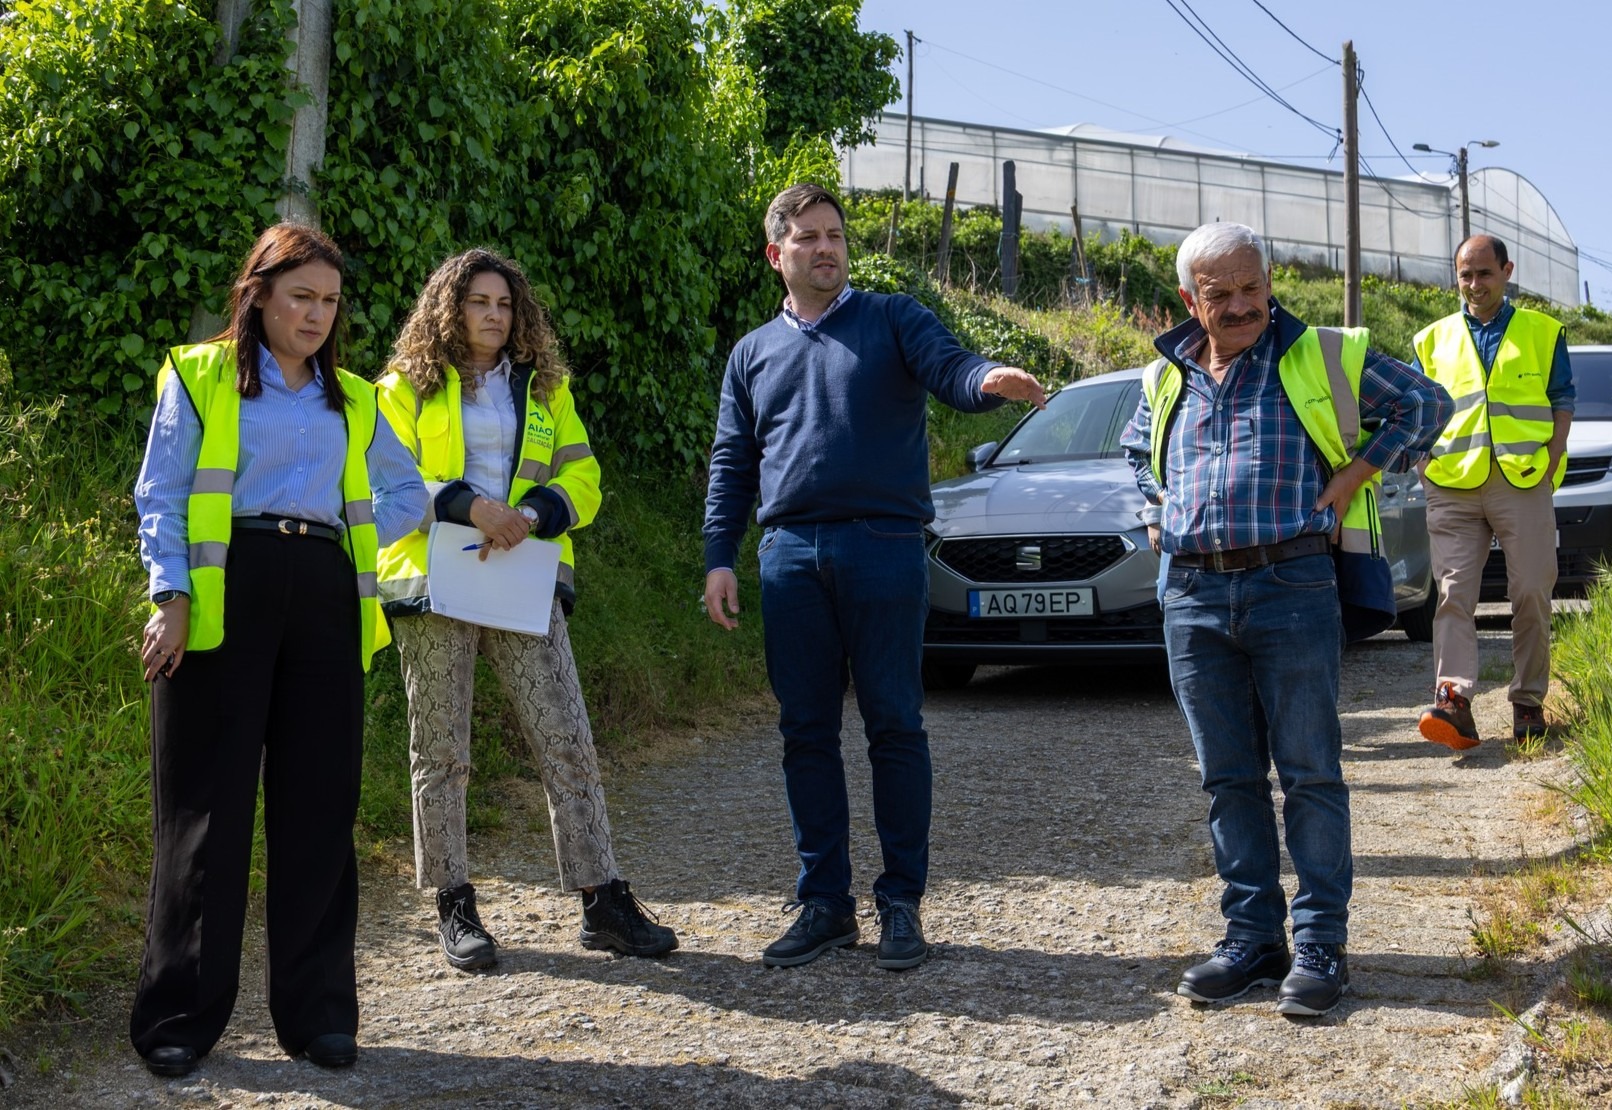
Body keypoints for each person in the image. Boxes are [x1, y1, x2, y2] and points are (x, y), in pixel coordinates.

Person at [702, 183, 1046, 971]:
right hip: (788, 554)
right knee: (805, 732)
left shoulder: (892, 317)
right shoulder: (752, 353)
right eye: (809, 237)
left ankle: (900, 903)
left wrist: (987, 380)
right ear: (776, 255)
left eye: (835, 235)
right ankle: (824, 904)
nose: (826, 247)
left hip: (885, 546)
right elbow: (733, 460)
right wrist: (720, 555)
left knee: (894, 724)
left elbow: (950, 365)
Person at [1121, 222, 1451, 1016]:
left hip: (1291, 583)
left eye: (1251, 288)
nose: (1240, 307)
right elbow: (1139, 452)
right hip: (1193, 596)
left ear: (1270, 282)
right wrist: (1156, 509)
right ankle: (1251, 939)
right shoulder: (1165, 373)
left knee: (1308, 771)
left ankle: (1320, 946)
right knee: (1227, 777)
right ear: (1188, 300)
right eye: (1220, 294)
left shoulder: (1321, 353)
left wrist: (1355, 474)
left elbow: (1428, 404)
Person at [131, 224, 428, 1077]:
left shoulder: (358, 399)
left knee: (320, 810)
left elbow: (404, 491)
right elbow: (161, 491)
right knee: (207, 815)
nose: (318, 315)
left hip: (326, 599)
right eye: (302, 296)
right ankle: (180, 1018)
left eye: (331, 301)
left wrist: (354, 538)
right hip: (226, 597)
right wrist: (171, 595)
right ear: (257, 292)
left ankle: (320, 1014)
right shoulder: (200, 374)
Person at [375, 248, 676, 971]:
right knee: (441, 752)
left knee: (567, 738)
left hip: (523, 576)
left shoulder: (546, 390)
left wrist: (535, 514)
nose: (494, 315)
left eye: (505, 304)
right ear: (449, 308)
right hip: (434, 578)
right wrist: (472, 507)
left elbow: (585, 475)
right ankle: (454, 904)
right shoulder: (402, 387)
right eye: (479, 301)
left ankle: (603, 901)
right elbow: (391, 475)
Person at [1412, 235, 1574, 750]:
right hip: (1452, 483)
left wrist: (1553, 456)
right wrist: (1423, 461)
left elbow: (1562, 398)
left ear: (1507, 271)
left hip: (1523, 479)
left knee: (1529, 591)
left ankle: (1527, 701)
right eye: (1465, 275)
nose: (1474, 284)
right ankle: (1453, 700)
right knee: (1454, 594)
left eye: (1484, 273)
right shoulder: (1431, 339)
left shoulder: (1543, 332)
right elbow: (1417, 409)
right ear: (1455, 276)